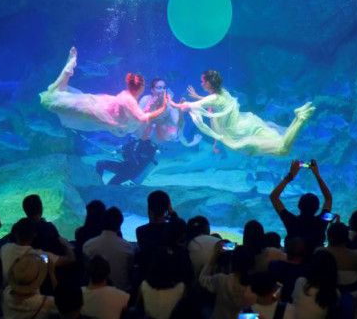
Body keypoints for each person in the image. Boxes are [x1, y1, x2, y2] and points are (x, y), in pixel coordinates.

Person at [170, 70, 315, 155]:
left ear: (208, 83)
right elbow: (217, 103)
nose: (201, 84)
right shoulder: (223, 93)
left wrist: (169, 101)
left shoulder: (213, 99)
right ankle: (298, 117)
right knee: (280, 141)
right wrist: (199, 98)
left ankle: (301, 118)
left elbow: (185, 106)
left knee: (282, 149)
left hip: (241, 135)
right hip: (249, 123)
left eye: (203, 81)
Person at [40, 47, 169, 136]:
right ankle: (69, 66)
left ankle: (69, 67)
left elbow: (137, 115)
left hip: (98, 106)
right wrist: (163, 107)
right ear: (141, 87)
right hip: (96, 109)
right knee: (51, 98)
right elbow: (142, 118)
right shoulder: (129, 100)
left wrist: (149, 107)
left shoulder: (128, 96)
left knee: (56, 94)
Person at [270, 159, 333, 257]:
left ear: (299, 206)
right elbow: (329, 199)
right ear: (317, 208)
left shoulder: (291, 221)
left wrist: (290, 176)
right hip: (315, 265)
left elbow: (273, 197)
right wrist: (317, 174)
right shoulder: (323, 220)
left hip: (292, 266)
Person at [83, 206, 135, 291]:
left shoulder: (88, 246)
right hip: (121, 291)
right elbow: (130, 270)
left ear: (102, 222)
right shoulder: (128, 248)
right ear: (120, 225)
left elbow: (86, 271)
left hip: (95, 291)